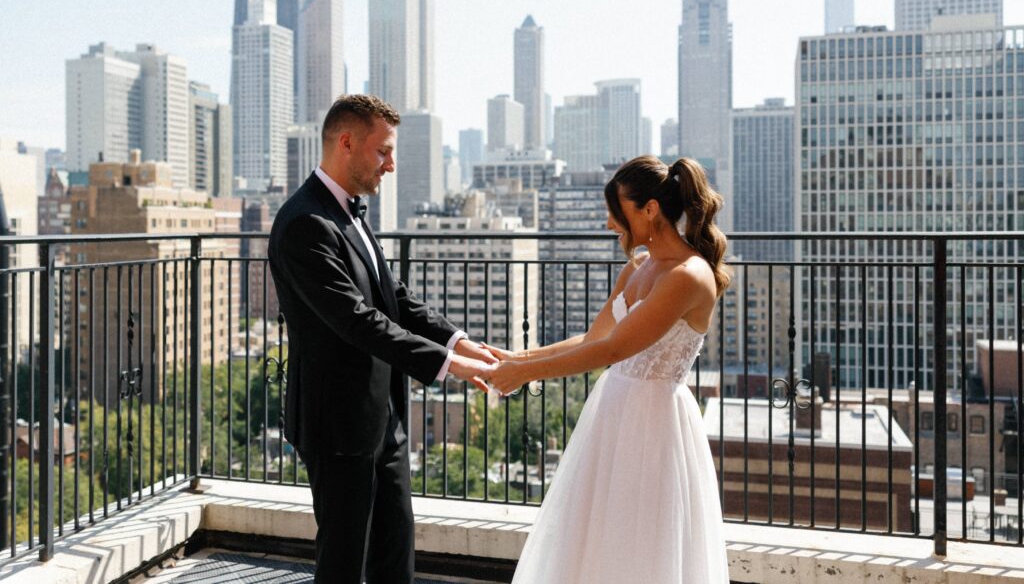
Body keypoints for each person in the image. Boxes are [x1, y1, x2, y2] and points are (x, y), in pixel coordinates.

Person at [268, 94, 496, 583]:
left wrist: (458, 341)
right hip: (339, 423)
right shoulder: (305, 223)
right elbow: (357, 321)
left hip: (383, 417)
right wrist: (447, 365)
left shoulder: (348, 212)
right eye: (383, 151)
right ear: (346, 143)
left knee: (396, 551)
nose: (391, 165)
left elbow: (393, 299)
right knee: (345, 561)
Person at [485, 155, 732, 583]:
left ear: (650, 210)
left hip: (654, 428)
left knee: (641, 546)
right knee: (594, 541)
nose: (608, 224)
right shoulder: (639, 266)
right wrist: (516, 358)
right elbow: (594, 337)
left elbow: (614, 349)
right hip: (611, 415)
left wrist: (526, 376)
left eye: (616, 213)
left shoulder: (688, 276)